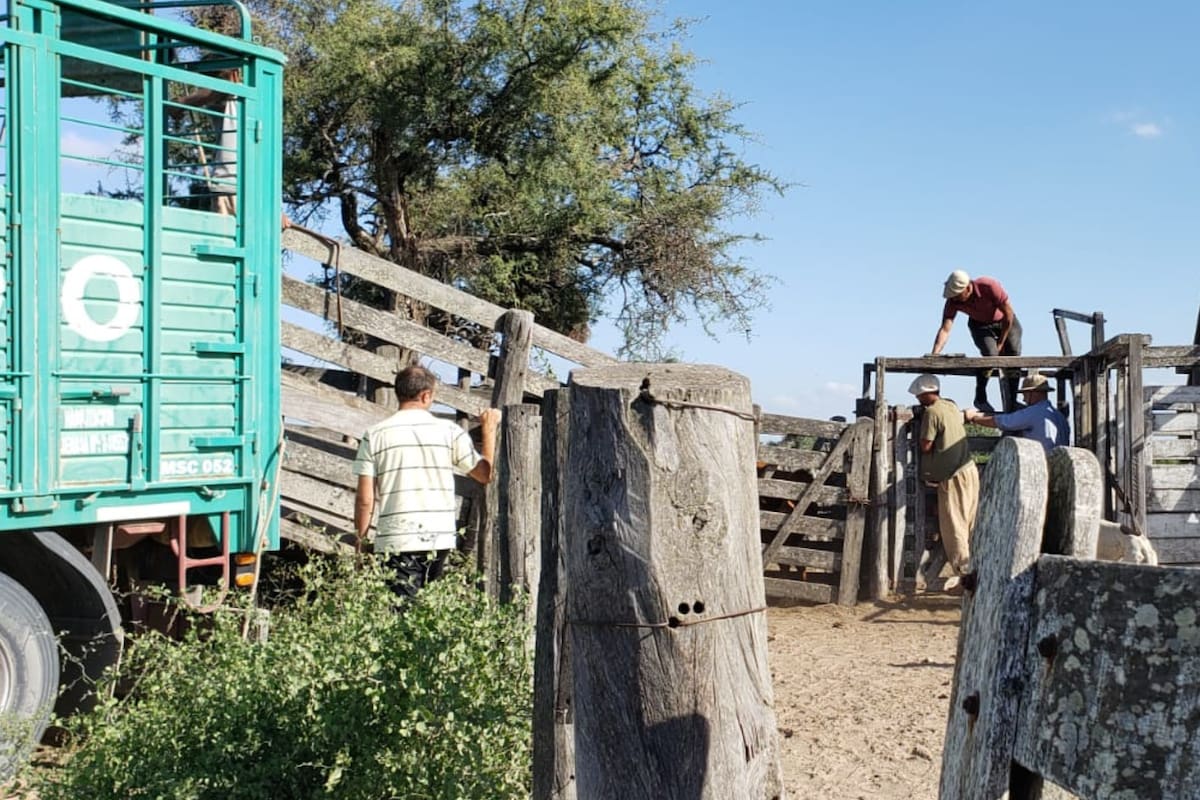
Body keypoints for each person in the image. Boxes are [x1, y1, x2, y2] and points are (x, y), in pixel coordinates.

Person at [353, 366, 501, 598]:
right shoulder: (449, 432)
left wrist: (360, 542)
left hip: (396, 538)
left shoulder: (375, 435)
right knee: (428, 608)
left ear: (398, 393)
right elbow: (485, 474)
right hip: (438, 537)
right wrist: (489, 430)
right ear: (426, 395)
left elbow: (365, 499)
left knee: (401, 609)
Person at [909, 373, 978, 593]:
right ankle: (976, 567)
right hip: (969, 470)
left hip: (952, 476)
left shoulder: (932, 412)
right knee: (970, 523)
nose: (919, 398)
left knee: (954, 526)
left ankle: (965, 576)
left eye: (920, 395)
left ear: (926, 394)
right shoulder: (950, 406)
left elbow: (926, 445)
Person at [929, 269, 1023, 414]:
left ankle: (1012, 399)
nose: (955, 299)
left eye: (958, 295)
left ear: (967, 288)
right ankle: (980, 397)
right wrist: (934, 354)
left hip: (1005, 320)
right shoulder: (953, 301)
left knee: (1013, 355)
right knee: (990, 355)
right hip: (979, 325)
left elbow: (1008, 314)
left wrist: (1001, 342)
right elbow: (945, 329)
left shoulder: (989, 286)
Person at [169, 67, 240, 215]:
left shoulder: (237, 93)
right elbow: (216, 93)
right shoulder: (228, 100)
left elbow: (219, 90)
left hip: (236, 185)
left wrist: (182, 102)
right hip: (228, 185)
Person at [965, 373, 1068, 452]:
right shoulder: (1060, 417)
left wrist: (974, 418)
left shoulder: (1033, 412)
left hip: (1042, 463)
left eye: (1025, 394)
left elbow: (1004, 422)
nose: (1024, 399)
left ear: (1033, 393)